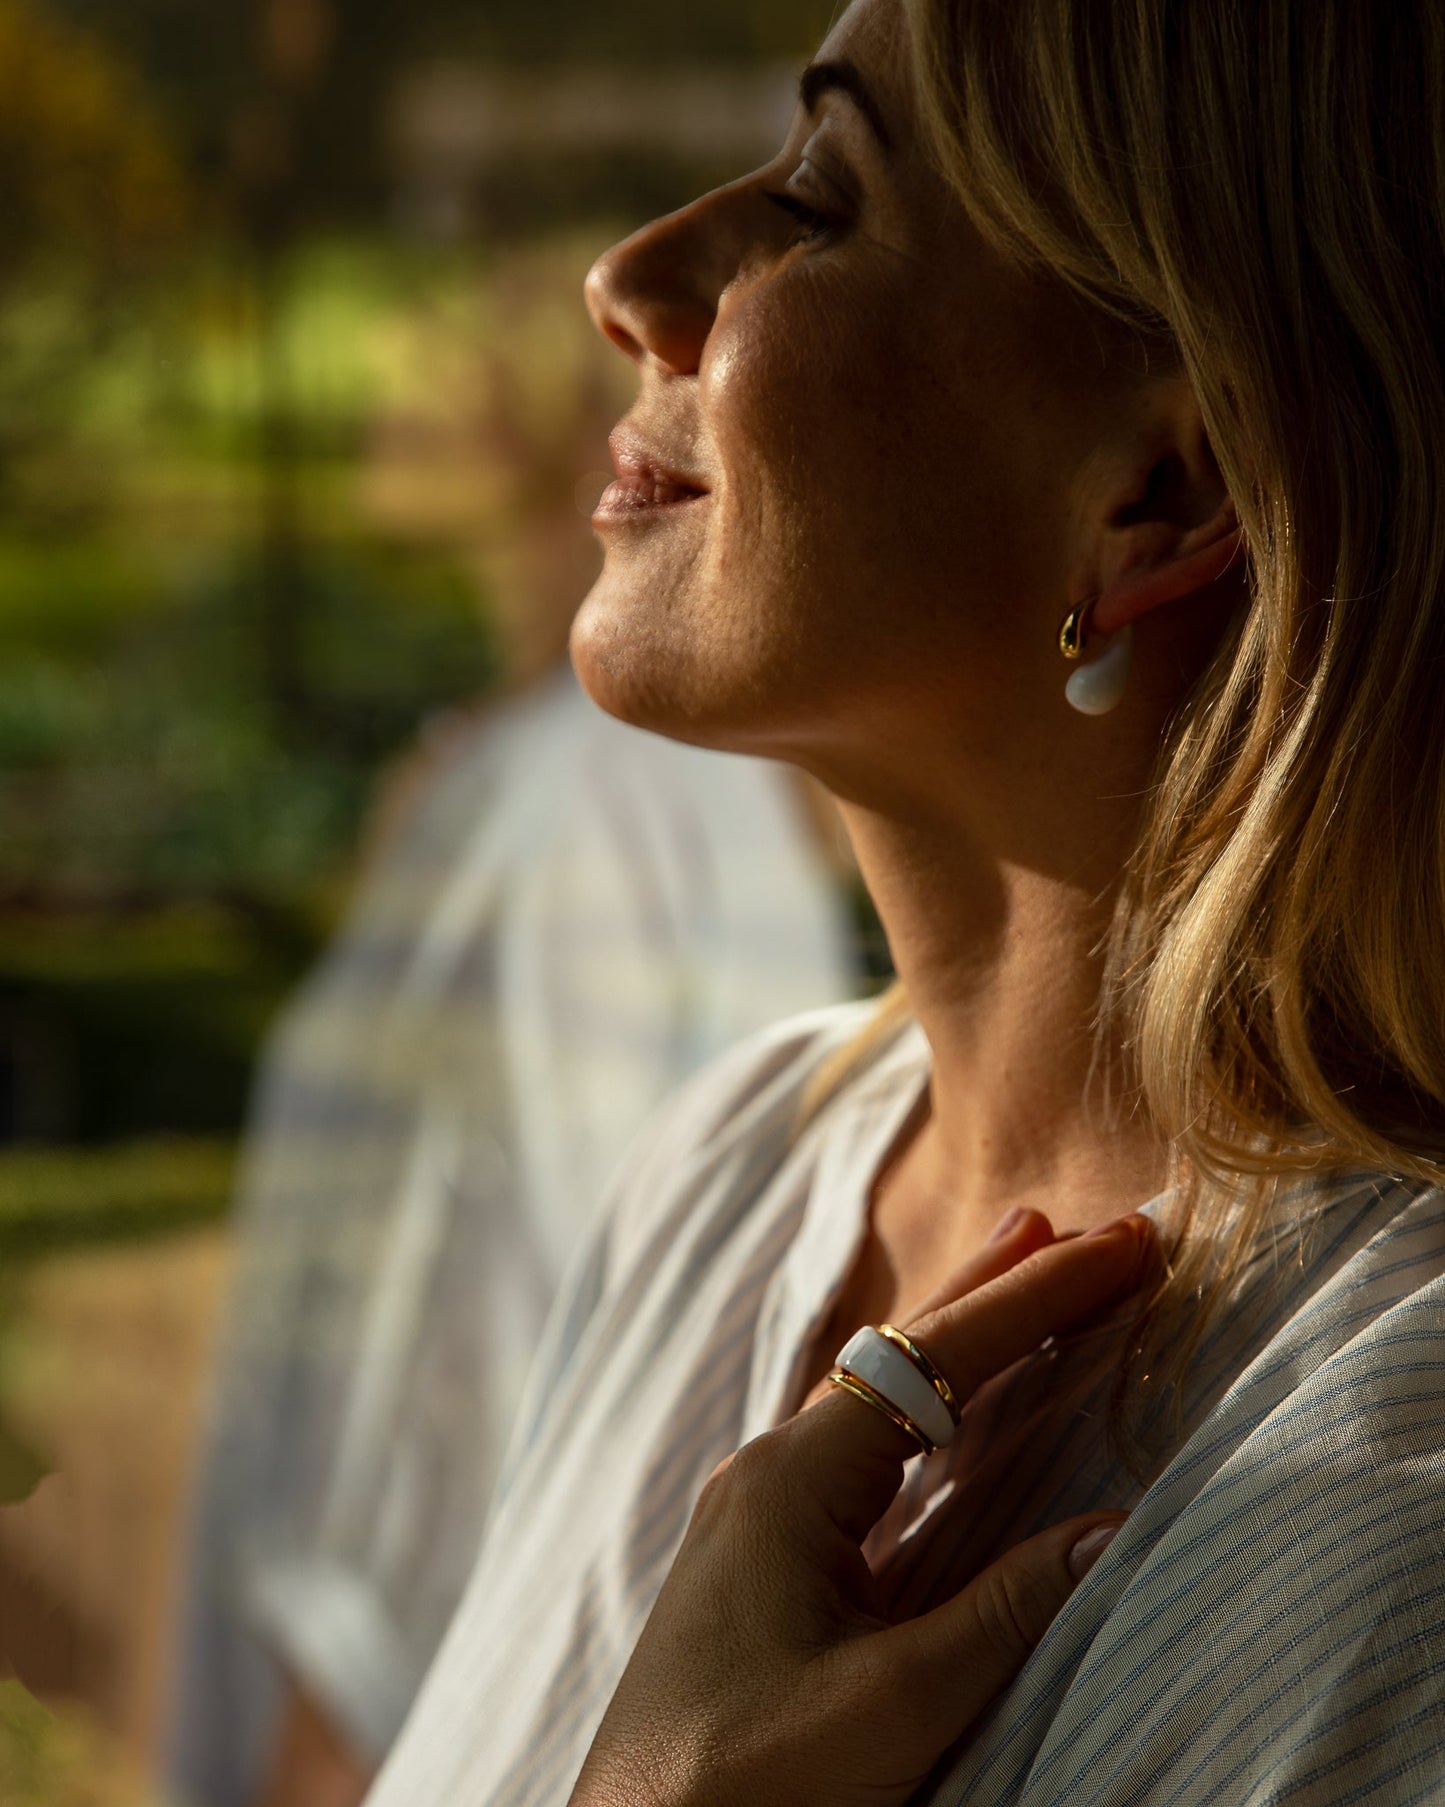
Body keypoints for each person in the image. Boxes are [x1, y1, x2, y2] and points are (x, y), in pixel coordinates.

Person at [362, 0, 1445, 1802]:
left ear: (1153, 496)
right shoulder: (725, 1173)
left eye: (817, 198)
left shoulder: (1384, 1520)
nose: (630, 275)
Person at [165, 241, 858, 1807]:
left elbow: (513, 1294)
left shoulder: (585, 805)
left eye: (464, 339)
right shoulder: (592, 781)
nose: (403, 359)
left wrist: (350, 1707)